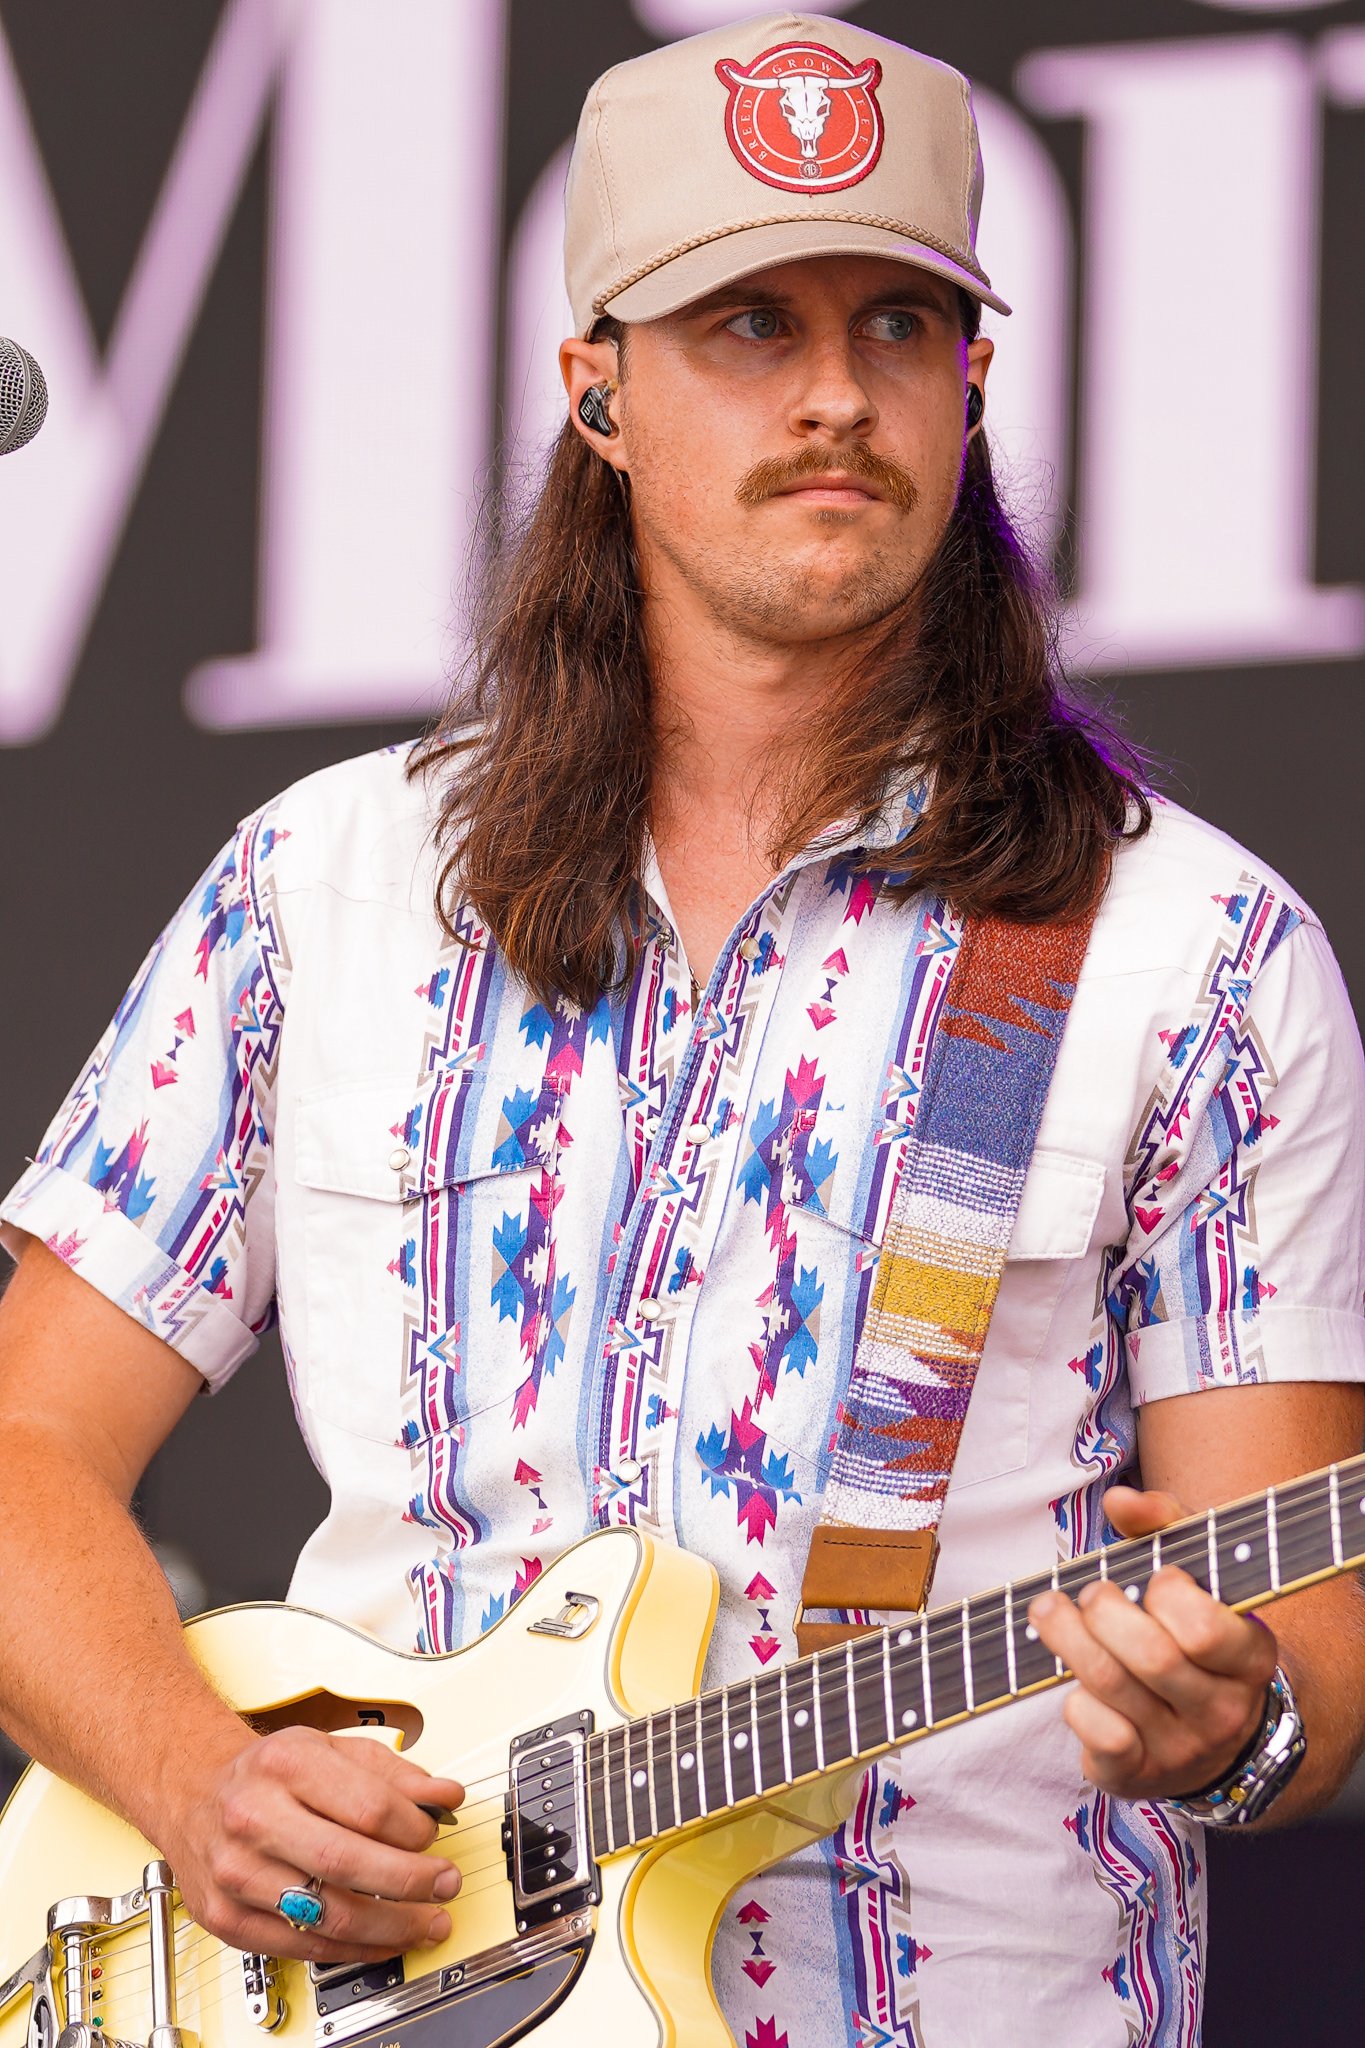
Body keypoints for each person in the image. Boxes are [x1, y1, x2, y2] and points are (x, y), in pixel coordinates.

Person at [2, 13, 1364, 2045]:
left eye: (896, 324)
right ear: (598, 391)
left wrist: (1232, 1719)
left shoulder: (1197, 948)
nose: (833, 394)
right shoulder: (328, 881)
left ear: (971, 384)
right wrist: (195, 1775)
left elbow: (1301, 1626)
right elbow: (22, 1444)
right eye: (746, 324)